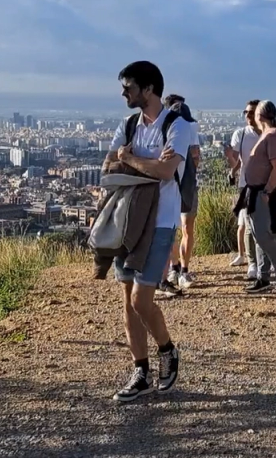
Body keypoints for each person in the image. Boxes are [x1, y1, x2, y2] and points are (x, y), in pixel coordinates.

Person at [105, 61, 192, 402]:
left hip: (160, 221)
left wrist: (133, 160)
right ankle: (140, 370)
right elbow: (109, 166)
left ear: (148, 89)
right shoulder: (128, 125)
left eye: (128, 87)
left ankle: (167, 350)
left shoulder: (177, 125)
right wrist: (148, 166)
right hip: (128, 221)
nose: (124, 93)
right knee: (128, 299)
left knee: (142, 299)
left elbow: (168, 172)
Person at [241, 100, 276, 293]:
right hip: (258, 192)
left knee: (264, 237)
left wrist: (267, 190)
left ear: (260, 116)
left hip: (264, 193)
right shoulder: (270, 135)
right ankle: (264, 278)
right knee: (260, 236)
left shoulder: (272, 136)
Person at [157, 94, 200, 297]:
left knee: (170, 229)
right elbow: (195, 156)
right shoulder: (187, 129)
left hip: (171, 186)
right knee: (182, 229)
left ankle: (172, 271)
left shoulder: (164, 130)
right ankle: (179, 271)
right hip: (183, 186)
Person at [228, 100, 261, 279]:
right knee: (249, 224)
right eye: (246, 112)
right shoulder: (240, 134)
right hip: (246, 185)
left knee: (263, 225)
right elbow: (238, 160)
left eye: (251, 112)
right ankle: (252, 262)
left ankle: (262, 261)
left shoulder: (268, 133)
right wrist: (232, 169)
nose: (247, 116)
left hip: (265, 185)